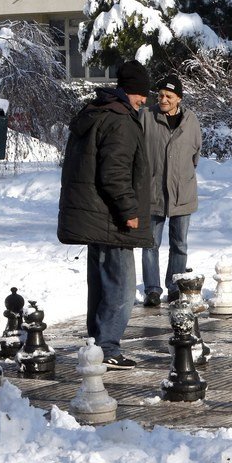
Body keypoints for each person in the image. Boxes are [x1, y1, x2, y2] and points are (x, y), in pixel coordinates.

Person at [58, 59, 152, 370]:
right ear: (131, 92)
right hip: (112, 219)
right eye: (142, 95)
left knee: (99, 284)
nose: (144, 101)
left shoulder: (96, 112)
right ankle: (108, 346)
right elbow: (114, 172)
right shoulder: (121, 121)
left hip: (94, 216)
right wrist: (128, 209)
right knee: (122, 287)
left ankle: (96, 344)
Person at [140, 74, 202, 306]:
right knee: (150, 244)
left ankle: (175, 286)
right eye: (161, 95)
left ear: (179, 98)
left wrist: (181, 175)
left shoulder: (191, 120)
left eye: (169, 96)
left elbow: (195, 154)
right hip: (153, 191)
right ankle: (152, 289)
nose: (163, 99)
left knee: (179, 244)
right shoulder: (146, 116)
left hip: (182, 192)